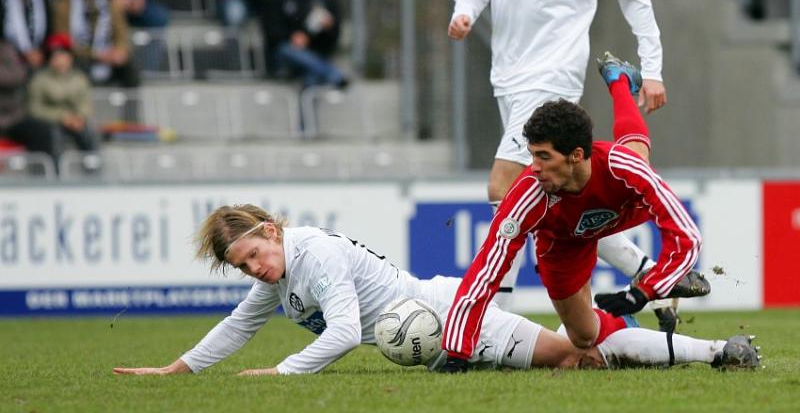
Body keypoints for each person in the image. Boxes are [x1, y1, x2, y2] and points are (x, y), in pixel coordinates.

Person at [446, 0, 673, 324]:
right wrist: (463, 14)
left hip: (554, 76)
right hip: (507, 77)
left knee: (504, 184)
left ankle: (493, 320)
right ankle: (642, 268)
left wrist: (651, 70)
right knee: (557, 194)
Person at [112, 204, 759, 377]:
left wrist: (280, 375)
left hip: (453, 314)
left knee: (574, 353)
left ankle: (715, 354)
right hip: (435, 325)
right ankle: (665, 339)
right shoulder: (282, 274)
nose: (254, 270)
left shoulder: (314, 255)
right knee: (572, 357)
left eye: (253, 255)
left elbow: (340, 334)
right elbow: (238, 324)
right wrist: (177, 368)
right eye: (242, 266)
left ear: (272, 232)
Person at [440, 54, 704, 372]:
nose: (533, 167)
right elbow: (486, 270)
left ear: (575, 156)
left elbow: (687, 237)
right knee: (583, 337)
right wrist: (457, 351)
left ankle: (619, 81)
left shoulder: (623, 169)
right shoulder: (528, 194)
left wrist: (644, 290)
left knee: (636, 156)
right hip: (563, 242)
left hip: (622, 208)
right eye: (531, 155)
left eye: (543, 156)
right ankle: (624, 327)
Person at [264, 0, 347, 88]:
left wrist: (328, 28)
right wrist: (292, 37)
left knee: (311, 80)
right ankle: (332, 73)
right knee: (289, 50)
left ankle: (321, 75)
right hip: (286, 56)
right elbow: (271, 30)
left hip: (315, 53)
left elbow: (334, 35)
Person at [52, 0, 139, 88]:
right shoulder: (63, 6)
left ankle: (131, 105)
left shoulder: (110, 3)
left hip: (108, 53)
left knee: (130, 66)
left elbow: (122, 34)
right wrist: (95, 54)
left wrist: (120, 50)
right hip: (79, 55)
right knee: (72, 63)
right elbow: (62, 39)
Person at [28, 33, 98, 153]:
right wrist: (62, 117)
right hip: (50, 122)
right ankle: (56, 170)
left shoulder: (79, 78)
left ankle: (93, 166)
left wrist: (80, 117)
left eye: (63, 54)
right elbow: (35, 109)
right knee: (53, 135)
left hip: (76, 121)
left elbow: (85, 103)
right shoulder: (40, 79)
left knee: (89, 132)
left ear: (70, 56)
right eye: (54, 56)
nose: (59, 59)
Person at [0, 38, 57, 157]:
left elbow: (18, 75)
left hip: (11, 119)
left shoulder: (6, 49)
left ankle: (42, 174)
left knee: (42, 131)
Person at [0, 0, 49, 69]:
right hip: (9, 54)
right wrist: (25, 52)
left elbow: (49, 31)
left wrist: (38, 52)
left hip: (40, 52)